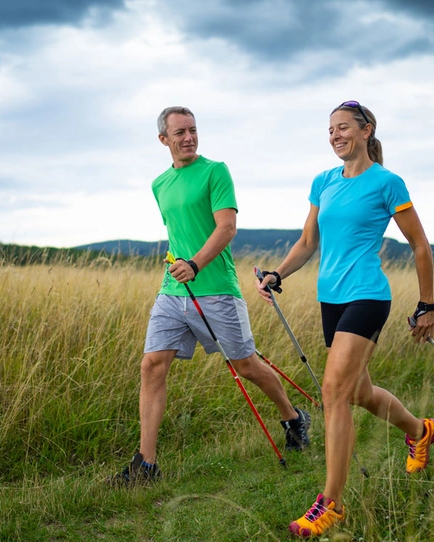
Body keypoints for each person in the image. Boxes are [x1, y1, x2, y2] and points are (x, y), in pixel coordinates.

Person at [257, 101, 434, 538]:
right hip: (331, 300)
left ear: (366, 130)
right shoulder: (323, 182)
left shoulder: (387, 183)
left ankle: (331, 504)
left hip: (368, 295)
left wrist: (427, 305)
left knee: (333, 391)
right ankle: (420, 430)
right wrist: (277, 273)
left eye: (343, 128)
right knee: (357, 391)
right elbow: (307, 241)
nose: (336, 135)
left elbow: (420, 246)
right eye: (331, 130)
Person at [109, 106, 311, 486]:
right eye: (180, 132)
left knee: (246, 366)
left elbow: (227, 227)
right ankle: (146, 466)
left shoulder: (216, 171)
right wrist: (179, 264)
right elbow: (178, 234)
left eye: (193, 130)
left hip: (216, 289)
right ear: (163, 140)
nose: (188, 137)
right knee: (151, 365)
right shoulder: (159, 184)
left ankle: (293, 418)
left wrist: (196, 263)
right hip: (173, 291)